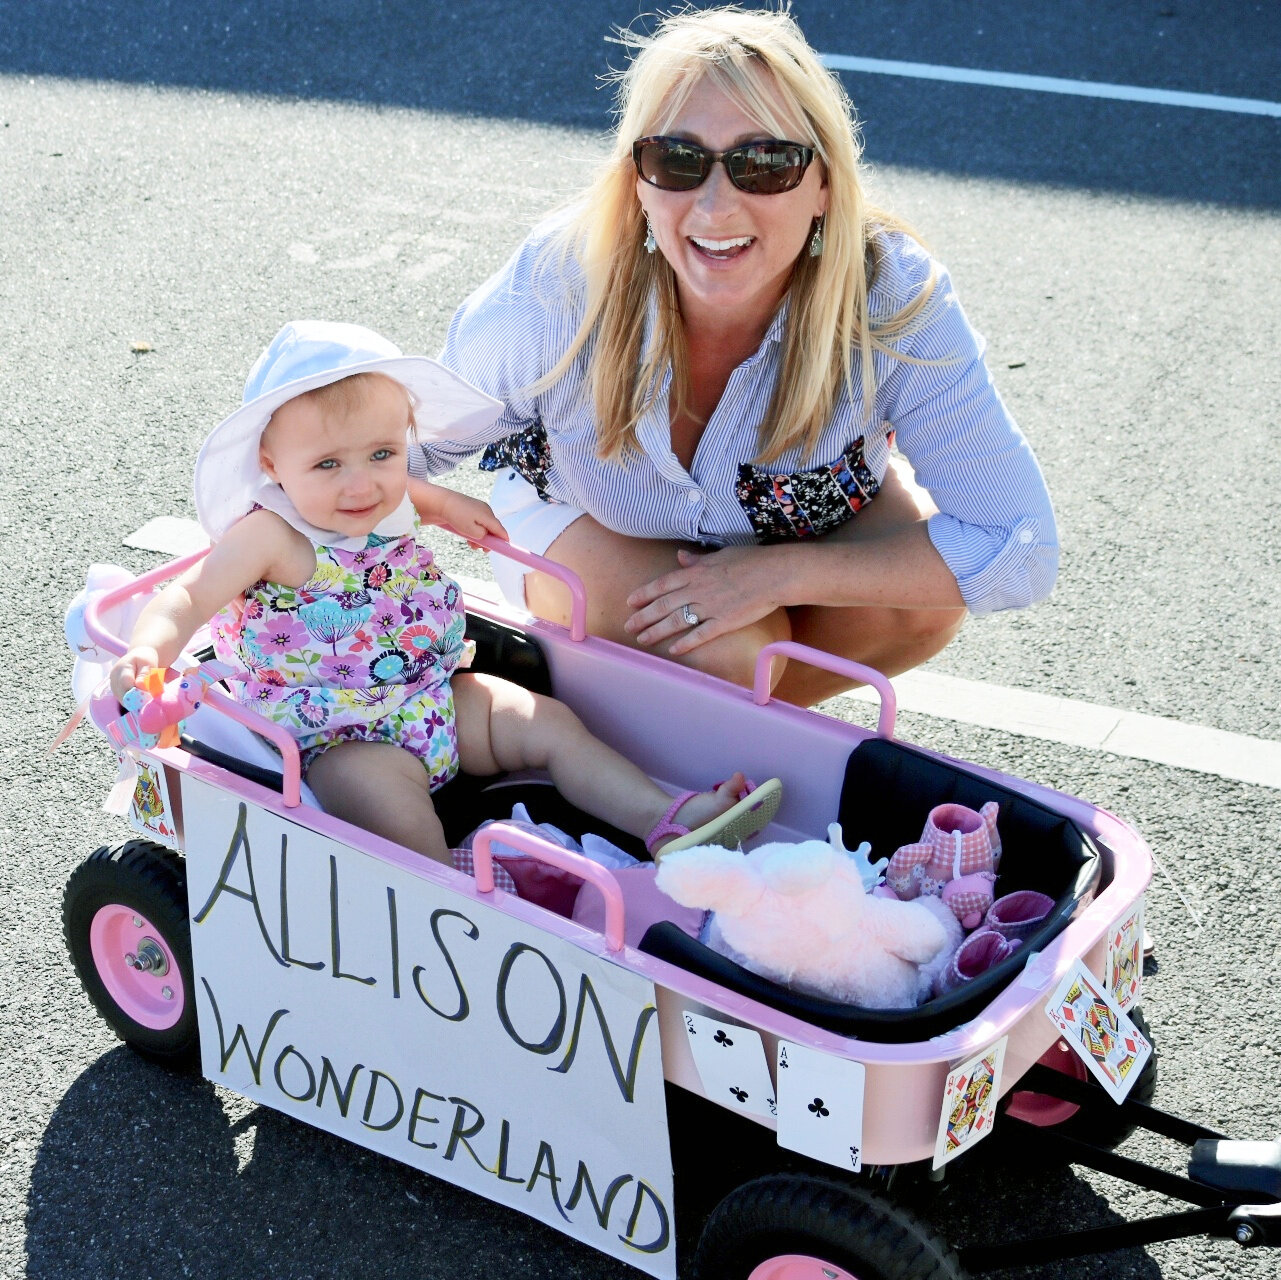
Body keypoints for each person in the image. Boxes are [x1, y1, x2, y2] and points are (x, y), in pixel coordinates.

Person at [408, 6, 1058, 705]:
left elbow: (1017, 548)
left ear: (825, 184)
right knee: (725, 655)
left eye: (765, 164)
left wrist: (779, 577)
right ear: (637, 179)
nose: (716, 209)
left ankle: (695, 734)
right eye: (676, 161)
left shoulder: (892, 297)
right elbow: (392, 447)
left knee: (912, 603)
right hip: (582, 515)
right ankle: (642, 738)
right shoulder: (557, 287)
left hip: (800, 529)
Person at [109, 321, 781, 868]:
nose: (361, 487)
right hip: (334, 741)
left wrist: (446, 504)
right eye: (326, 465)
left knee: (544, 723)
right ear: (270, 467)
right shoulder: (270, 536)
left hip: (430, 698)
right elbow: (187, 598)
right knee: (395, 814)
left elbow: (410, 495)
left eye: (381, 454)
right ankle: (451, 895)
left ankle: (664, 821)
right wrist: (147, 652)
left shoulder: (381, 499)